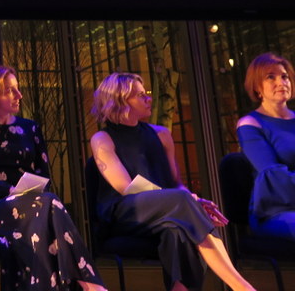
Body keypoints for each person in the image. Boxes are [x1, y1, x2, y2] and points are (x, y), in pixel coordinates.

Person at [90, 72, 257, 291]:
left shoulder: (162, 135)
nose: (149, 98)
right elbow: (125, 187)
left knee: (176, 232)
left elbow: (176, 183)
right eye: (141, 95)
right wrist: (186, 200)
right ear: (121, 100)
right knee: (181, 201)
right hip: (126, 212)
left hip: (169, 211)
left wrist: (190, 200)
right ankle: (241, 286)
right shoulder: (102, 138)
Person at [0, 65, 105, 291]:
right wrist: (10, 191)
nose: (19, 95)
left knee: (41, 214)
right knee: (47, 205)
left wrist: (28, 192)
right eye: (10, 90)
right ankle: (89, 284)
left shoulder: (31, 128)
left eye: (17, 89)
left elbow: (43, 176)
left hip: (33, 207)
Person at [236, 52, 295, 242]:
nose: (281, 82)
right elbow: (273, 175)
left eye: (284, 76)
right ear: (257, 87)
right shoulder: (250, 124)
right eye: (271, 77)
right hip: (276, 210)